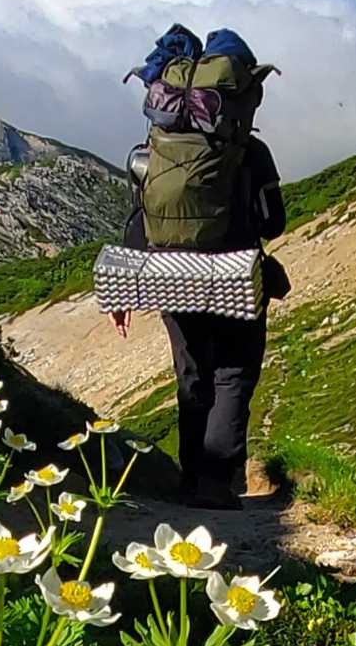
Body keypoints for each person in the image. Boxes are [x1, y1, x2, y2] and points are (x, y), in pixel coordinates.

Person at [112, 96, 287, 509]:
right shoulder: (251, 151)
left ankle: (189, 478)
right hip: (234, 275)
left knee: (191, 374)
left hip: (170, 277)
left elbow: (139, 224)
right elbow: (274, 224)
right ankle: (217, 482)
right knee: (233, 374)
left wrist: (123, 292)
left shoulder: (147, 152)